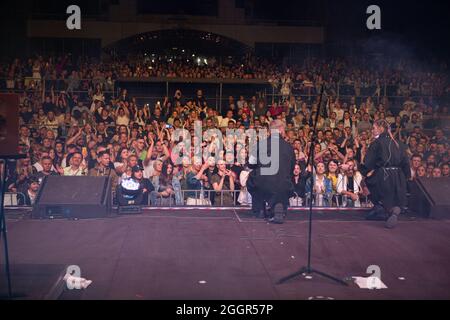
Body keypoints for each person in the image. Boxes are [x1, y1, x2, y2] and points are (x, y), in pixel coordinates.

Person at [360, 119, 411, 228]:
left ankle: (384, 209)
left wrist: (363, 170)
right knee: (394, 198)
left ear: (380, 128)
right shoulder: (399, 143)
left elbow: (368, 163)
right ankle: (393, 211)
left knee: (365, 182)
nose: (372, 131)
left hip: (383, 175)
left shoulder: (376, 143)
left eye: (373, 128)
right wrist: (407, 176)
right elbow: (406, 162)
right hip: (399, 175)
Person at [247, 120, 296, 224]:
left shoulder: (260, 144)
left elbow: (250, 164)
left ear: (269, 131)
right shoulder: (289, 148)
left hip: (262, 183)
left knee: (252, 179)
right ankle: (279, 205)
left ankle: (259, 208)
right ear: (281, 129)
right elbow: (291, 169)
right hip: (283, 185)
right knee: (283, 180)